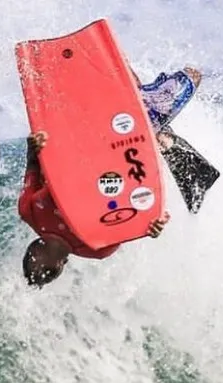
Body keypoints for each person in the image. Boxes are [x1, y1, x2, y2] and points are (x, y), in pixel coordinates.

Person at [19, 67, 203, 288]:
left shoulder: (30, 212)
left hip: (85, 140)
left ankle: (158, 129)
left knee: (118, 74)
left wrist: (34, 146)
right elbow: (133, 217)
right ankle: (163, 139)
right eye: (39, 268)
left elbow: (32, 166)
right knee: (190, 79)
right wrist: (155, 224)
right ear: (60, 266)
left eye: (29, 264)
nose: (32, 259)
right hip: (122, 155)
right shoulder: (97, 247)